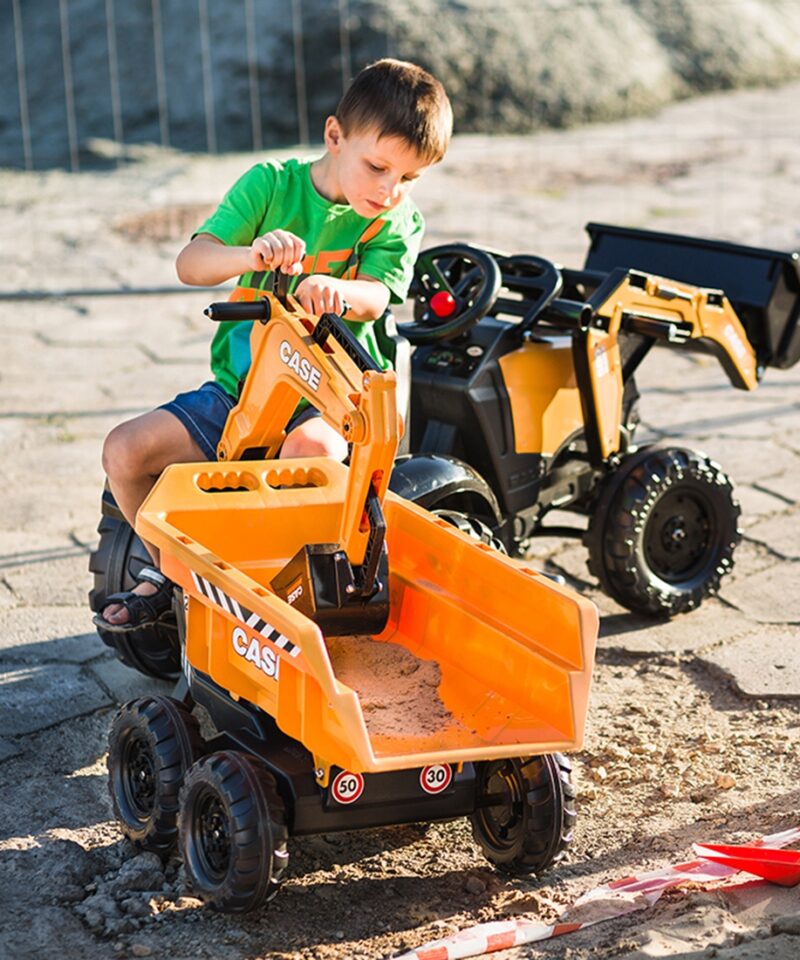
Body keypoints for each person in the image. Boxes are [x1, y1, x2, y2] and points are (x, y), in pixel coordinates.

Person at [94, 58, 452, 632]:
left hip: (337, 399)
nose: (389, 191)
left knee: (304, 456)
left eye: (408, 179)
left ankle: (276, 598)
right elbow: (191, 263)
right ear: (335, 136)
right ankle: (175, 576)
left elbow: (378, 298)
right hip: (242, 391)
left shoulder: (395, 223)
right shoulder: (270, 186)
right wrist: (249, 254)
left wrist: (337, 287)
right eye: (379, 167)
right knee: (125, 451)